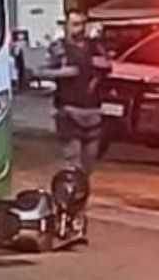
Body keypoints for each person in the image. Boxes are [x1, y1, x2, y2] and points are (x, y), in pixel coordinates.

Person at [44, 11, 112, 174]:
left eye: (82, 24)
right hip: (69, 109)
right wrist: (63, 72)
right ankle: (71, 186)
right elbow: (42, 70)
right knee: (72, 156)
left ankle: (81, 185)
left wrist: (102, 64)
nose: (80, 29)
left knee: (90, 157)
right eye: (75, 24)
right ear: (66, 26)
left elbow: (108, 66)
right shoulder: (58, 48)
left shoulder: (95, 47)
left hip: (93, 110)